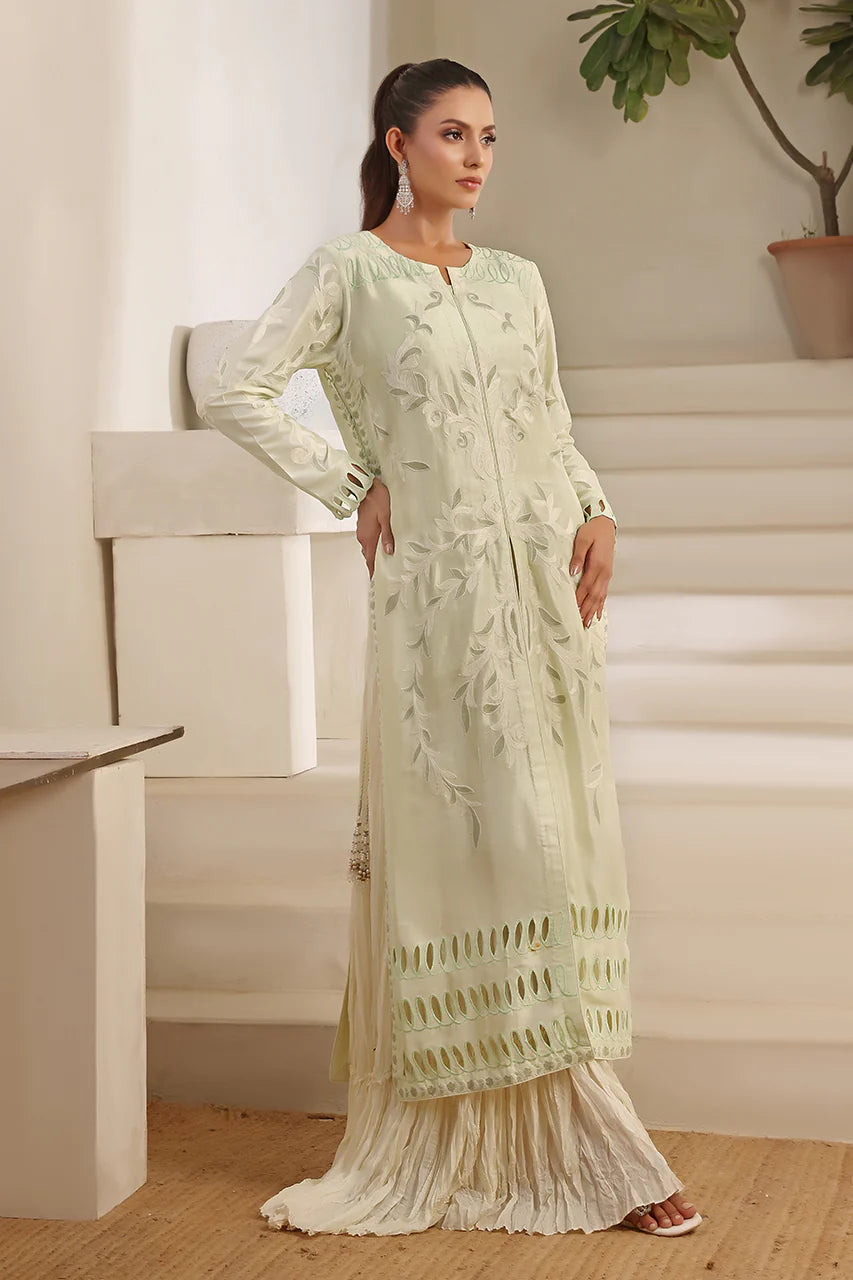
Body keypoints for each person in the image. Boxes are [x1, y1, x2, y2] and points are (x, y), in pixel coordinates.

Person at [195, 57, 702, 1239]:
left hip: (547, 590)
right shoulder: (348, 272)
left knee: (554, 844)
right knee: (488, 841)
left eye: (488, 137)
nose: (476, 157)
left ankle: (572, 1122)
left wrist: (598, 508)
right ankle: (577, 1137)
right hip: (438, 603)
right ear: (398, 143)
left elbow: (549, 419)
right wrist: (349, 480)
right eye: (452, 134)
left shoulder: (518, 281)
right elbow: (236, 386)